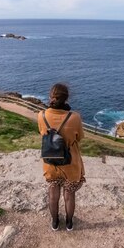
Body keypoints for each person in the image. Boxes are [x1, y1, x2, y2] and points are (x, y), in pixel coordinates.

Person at [37, 83, 85, 231]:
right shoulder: (75, 117)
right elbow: (80, 138)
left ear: (51, 96)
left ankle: (55, 222)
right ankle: (69, 223)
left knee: (53, 193)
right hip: (70, 164)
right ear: (66, 98)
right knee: (69, 194)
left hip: (51, 163)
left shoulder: (42, 115)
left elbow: (43, 134)